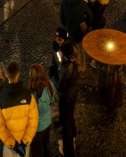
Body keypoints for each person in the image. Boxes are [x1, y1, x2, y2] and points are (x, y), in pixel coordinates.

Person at [0, 61, 38, 157]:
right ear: (18, 74)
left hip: (10, 146)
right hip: (24, 144)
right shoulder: (28, 96)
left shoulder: (0, 100)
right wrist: (25, 141)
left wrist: (12, 143)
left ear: (6, 75)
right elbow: (33, 121)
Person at [53, 29, 79, 157]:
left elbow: (60, 86)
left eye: (59, 40)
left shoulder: (66, 68)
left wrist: (54, 77)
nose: (57, 42)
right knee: (69, 116)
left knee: (66, 122)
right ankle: (73, 135)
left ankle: (68, 148)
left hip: (67, 96)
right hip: (72, 93)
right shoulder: (72, 54)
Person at [59, 0, 91, 67]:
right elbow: (90, 15)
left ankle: (74, 63)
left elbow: (61, 16)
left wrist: (66, 26)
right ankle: (82, 68)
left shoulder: (64, 2)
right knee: (80, 49)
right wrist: (86, 24)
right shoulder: (82, 3)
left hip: (70, 30)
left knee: (72, 47)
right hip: (79, 31)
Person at [27, 64, 55, 157]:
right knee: (46, 145)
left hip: (36, 128)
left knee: (36, 151)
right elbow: (52, 100)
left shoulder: (31, 91)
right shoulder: (49, 86)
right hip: (47, 123)